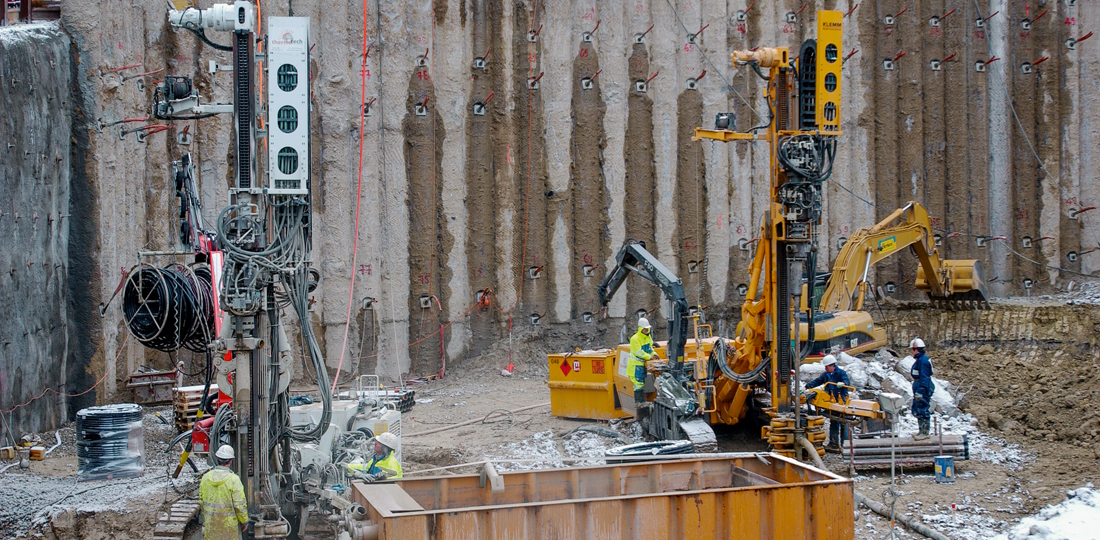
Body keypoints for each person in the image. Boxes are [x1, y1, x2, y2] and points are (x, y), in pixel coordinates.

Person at [199, 445, 248, 540]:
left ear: (217, 458)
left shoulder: (205, 478)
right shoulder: (234, 480)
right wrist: (244, 521)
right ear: (230, 461)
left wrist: (208, 518)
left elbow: (201, 502)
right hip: (229, 528)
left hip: (211, 525)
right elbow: (239, 505)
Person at [805, 354, 851, 450]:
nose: (825, 368)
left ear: (832, 366)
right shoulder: (826, 375)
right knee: (834, 421)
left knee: (843, 423)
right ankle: (834, 444)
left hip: (841, 401)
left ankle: (845, 446)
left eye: (826, 367)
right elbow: (817, 381)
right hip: (832, 402)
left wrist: (844, 383)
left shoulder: (841, 373)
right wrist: (807, 386)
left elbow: (846, 381)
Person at [909, 337, 935, 440]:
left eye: (912, 349)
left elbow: (925, 378)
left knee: (922, 408)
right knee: (918, 408)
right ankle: (921, 431)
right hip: (919, 386)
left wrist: (920, 391)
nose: (911, 352)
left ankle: (925, 432)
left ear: (916, 349)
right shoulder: (921, 360)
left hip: (922, 388)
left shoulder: (923, 361)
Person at [627, 317, 658, 405]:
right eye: (645, 328)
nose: (647, 330)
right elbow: (638, 352)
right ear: (641, 328)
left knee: (642, 382)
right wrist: (649, 357)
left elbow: (650, 348)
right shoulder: (634, 339)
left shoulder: (648, 337)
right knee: (638, 383)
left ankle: (641, 400)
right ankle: (638, 401)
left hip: (641, 364)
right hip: (635, 365)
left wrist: (654, 353)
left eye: (647, 328)